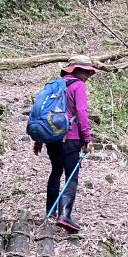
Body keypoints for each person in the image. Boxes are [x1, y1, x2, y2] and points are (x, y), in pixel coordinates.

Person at [33, 54, 99, 232]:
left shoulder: (55, 85)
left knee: (56, 171)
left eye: (89, 72)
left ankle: (51, 211)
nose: (88, 75)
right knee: (72, 175)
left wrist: (39, 139)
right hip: (70, 138)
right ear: (76, 70)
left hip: (52, 137)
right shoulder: (78, 86)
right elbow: (82, 112)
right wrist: (87, 138)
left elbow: (41, 111)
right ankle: (65, 215)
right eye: (85, 71)